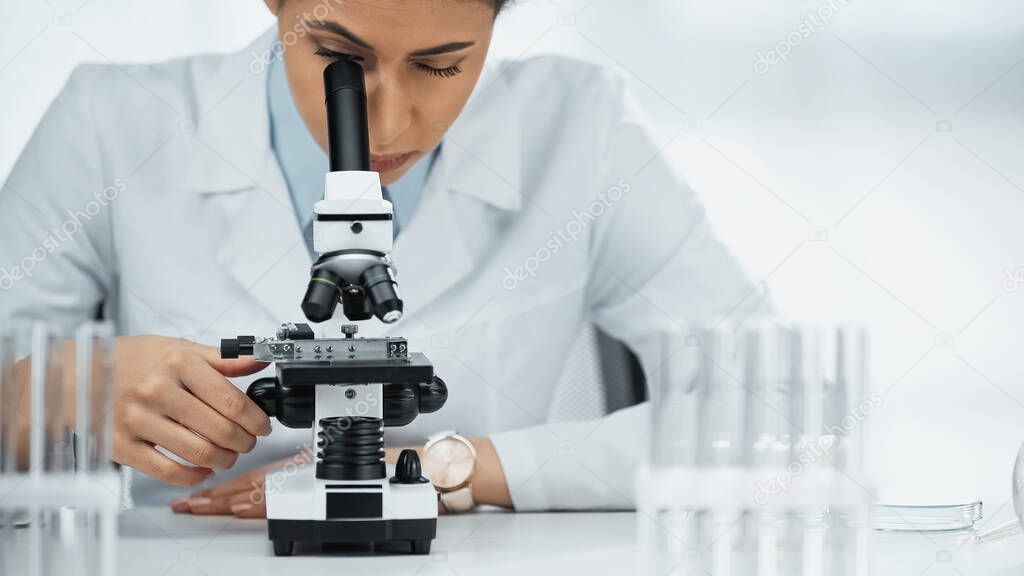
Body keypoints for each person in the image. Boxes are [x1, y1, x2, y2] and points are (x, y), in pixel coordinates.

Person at [0, 0, 766, 516]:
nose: (388, 122)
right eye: (339, 57)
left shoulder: (580, 129)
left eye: (441, 66)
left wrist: (448, 469)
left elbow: (776, 411)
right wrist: (57, 390)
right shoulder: (112, 122)